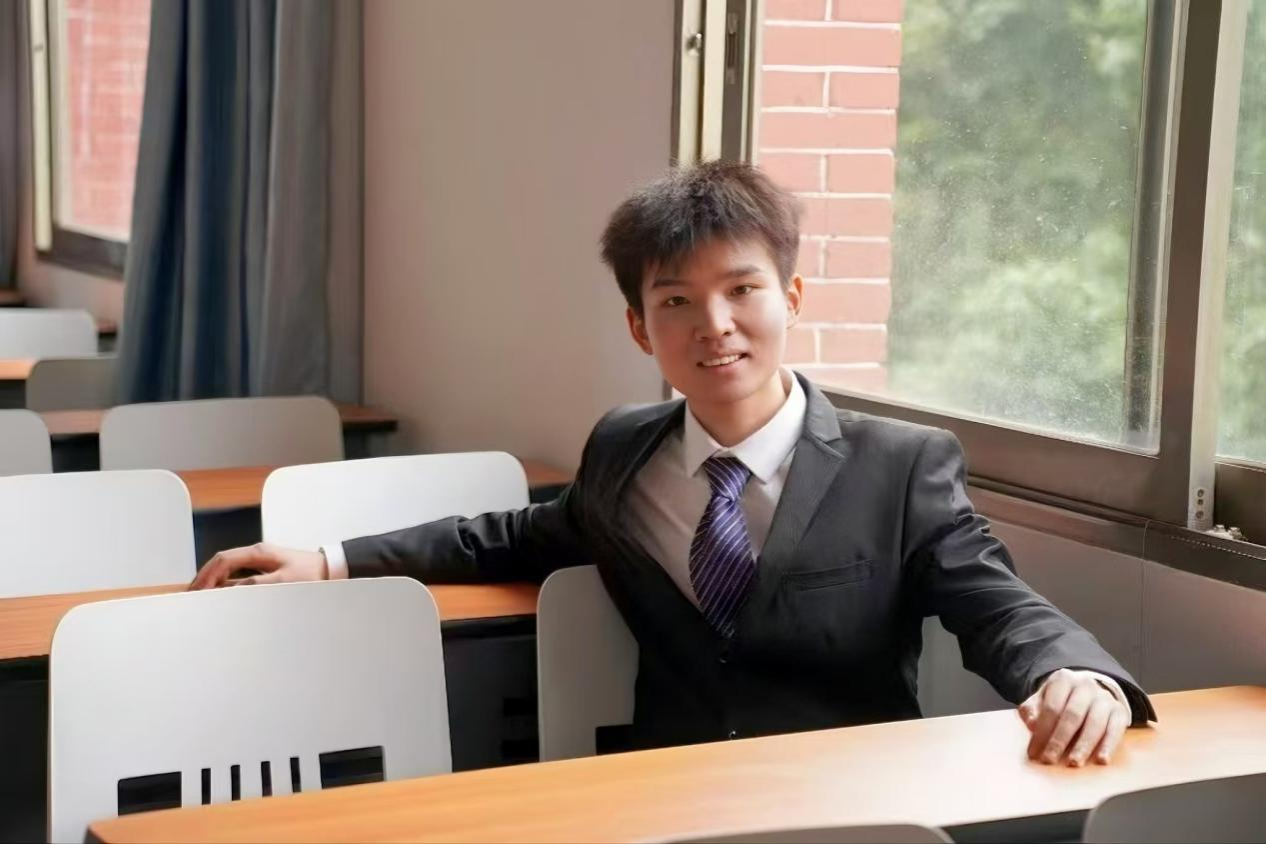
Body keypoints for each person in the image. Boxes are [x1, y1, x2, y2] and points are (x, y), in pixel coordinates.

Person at [191, 160, 1153, 766]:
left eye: (742, 290)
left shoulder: (900, 464)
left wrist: (1076, 673)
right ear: (639, 326)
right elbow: (516, 535)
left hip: (847, 803)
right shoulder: (623, 448)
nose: (714, 325)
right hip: (663, 794)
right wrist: (330, 559)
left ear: (792, 297)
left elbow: (995, 602)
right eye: (677, 302)